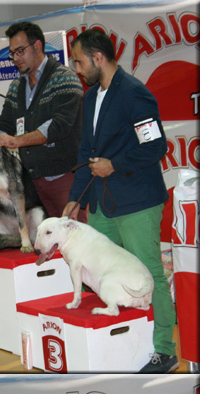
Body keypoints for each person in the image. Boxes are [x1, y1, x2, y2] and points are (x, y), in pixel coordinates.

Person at [62, 28, 177, 374]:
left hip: (137, 201)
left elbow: (156, 147)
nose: (77, 70)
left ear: (99, 58)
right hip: (100, 203)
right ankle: (118, 343)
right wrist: (74, 199)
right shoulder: (90, 96)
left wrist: (115, 165)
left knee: (147, 273)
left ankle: (164, 349)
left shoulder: (134, 94)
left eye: (80, 62)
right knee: (96, 272)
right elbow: (88, 153)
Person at [0, 21, 83, 219]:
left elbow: (59, 126)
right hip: (33, 182)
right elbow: (4, 125)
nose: (16, 58)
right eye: (12, 53)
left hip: (65, 178)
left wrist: (17, 140)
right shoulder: (16, 86)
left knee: (77, 239)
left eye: (20, 51)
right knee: (47, 245)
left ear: (37, 46)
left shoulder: (65, 78)